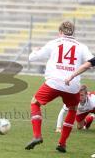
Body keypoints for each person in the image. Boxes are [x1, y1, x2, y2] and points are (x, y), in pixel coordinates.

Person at [25, 21, 93, 153]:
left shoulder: (54, 43)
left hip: (54, 83)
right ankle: (62, 143)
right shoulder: (82, 46)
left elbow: (32, 58)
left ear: (60, 32)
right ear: (73, 32)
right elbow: (91, 61)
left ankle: (37, 135)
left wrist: (34, 52)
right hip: (72, 85)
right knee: (72, 109)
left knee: (35, 103)